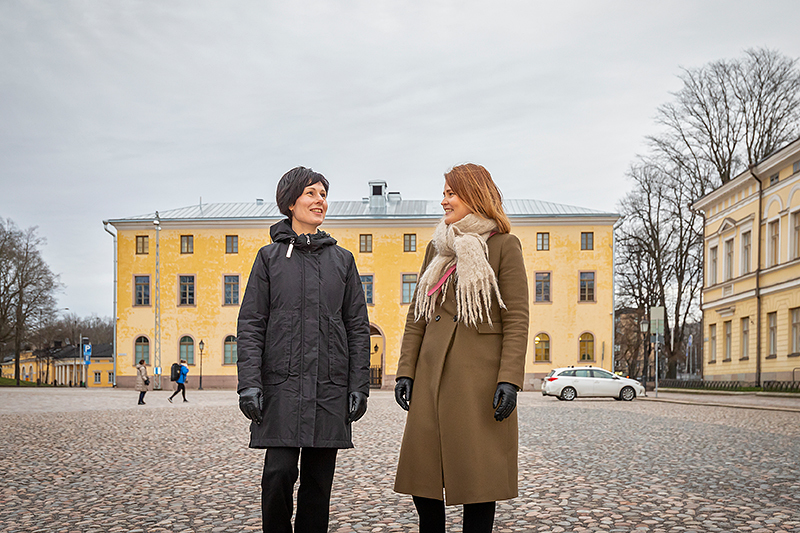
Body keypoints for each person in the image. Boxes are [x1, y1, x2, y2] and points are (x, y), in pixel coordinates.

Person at [393, 163, 529, 533]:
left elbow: (517, 318)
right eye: (444, 193)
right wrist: (406, 370)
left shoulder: (503, 246)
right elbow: (416, 316)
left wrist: (509, 380)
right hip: (431, 380)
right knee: (423, 483)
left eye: (451, 193)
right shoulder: (438, 249)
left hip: (478, 384)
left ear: (473, 194)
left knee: (478, 485)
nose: (444, 200)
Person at [237, 166, 371, 533]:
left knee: (318, 485)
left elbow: (357, 327)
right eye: (312, 193)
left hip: (329, 387)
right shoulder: (269, 258)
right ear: (291, 201)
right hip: (281, 387)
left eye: (323, 194)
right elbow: (251, 324)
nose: (320, 201)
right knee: (278, 475)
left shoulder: (342, 261)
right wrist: (249, 383)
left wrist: (358, 385)